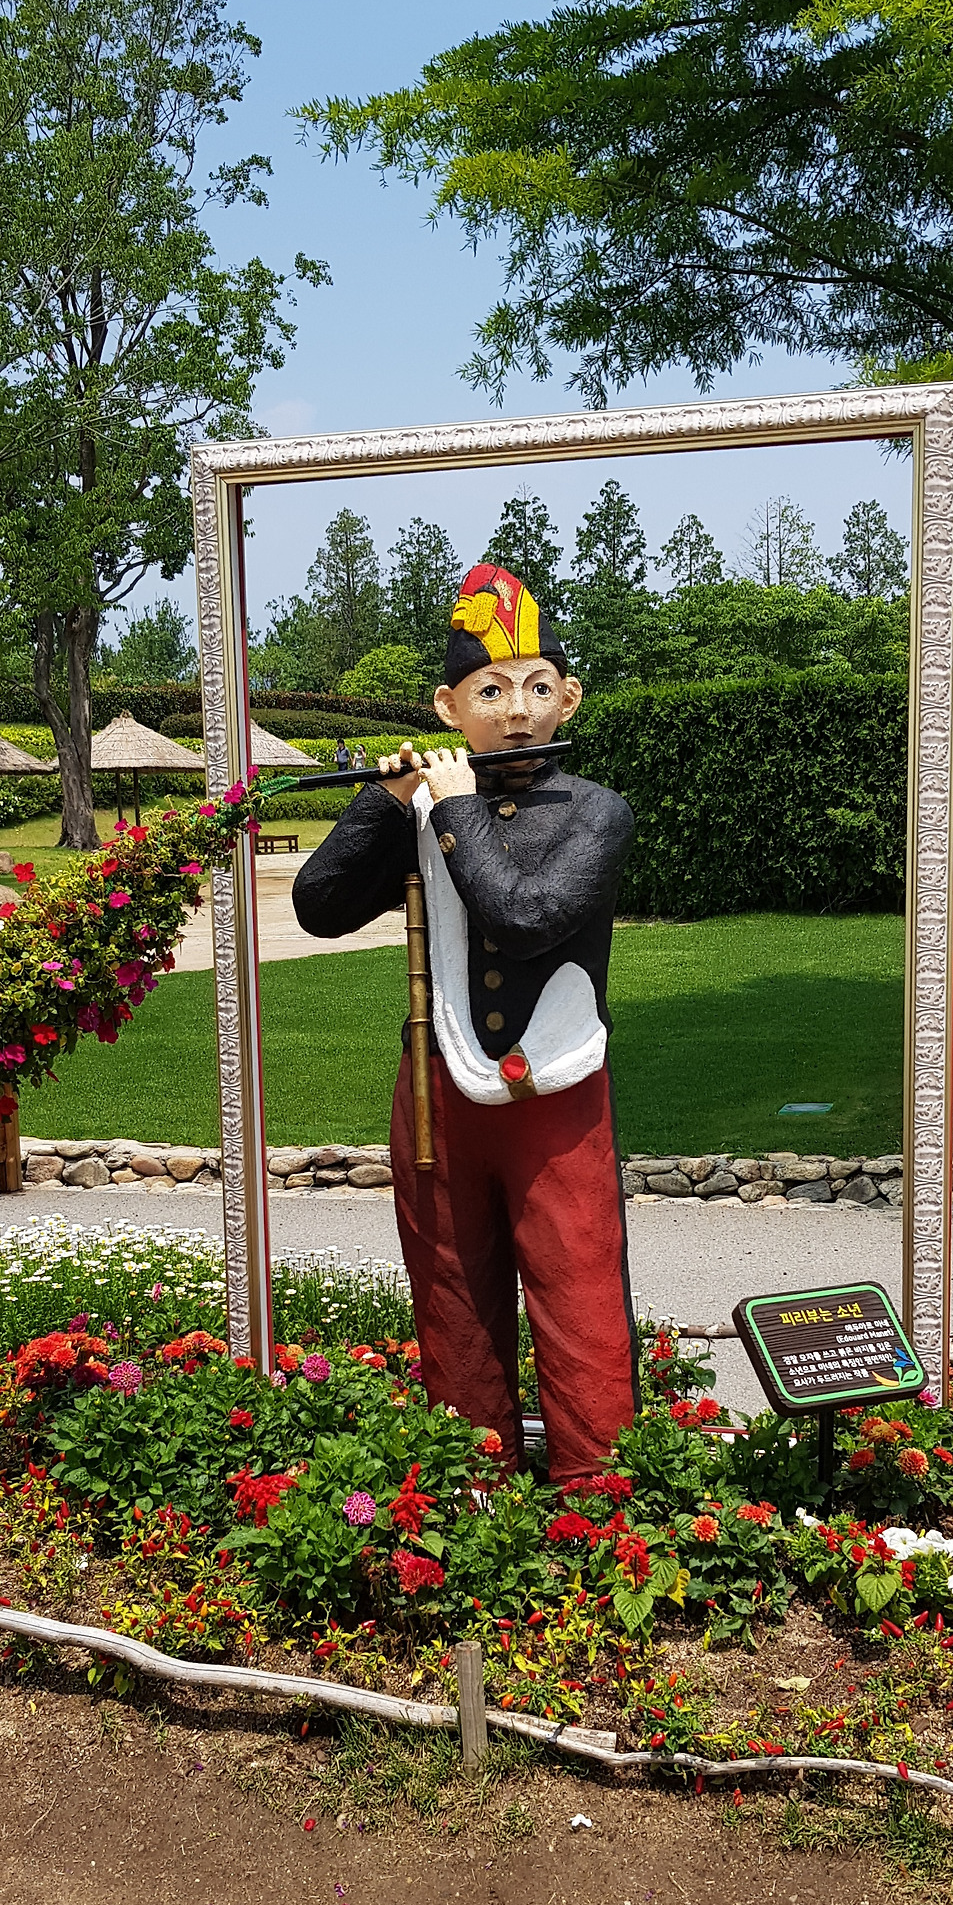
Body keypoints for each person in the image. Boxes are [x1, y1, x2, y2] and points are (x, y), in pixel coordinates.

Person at [293, 561, 638, 1486]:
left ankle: (599, 1494)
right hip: (438, 1089)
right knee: (452, 1296)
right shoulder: (427, 807)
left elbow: (524, 914)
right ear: (449, 707)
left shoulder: (596, 812)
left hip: (557, 1089)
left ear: (569, 697)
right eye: (491, 690)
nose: (517, 712)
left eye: (536, 687)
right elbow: (319, 905)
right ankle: (473, 1483)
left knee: (578, 1292)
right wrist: (382, 805)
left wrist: (448, 809)